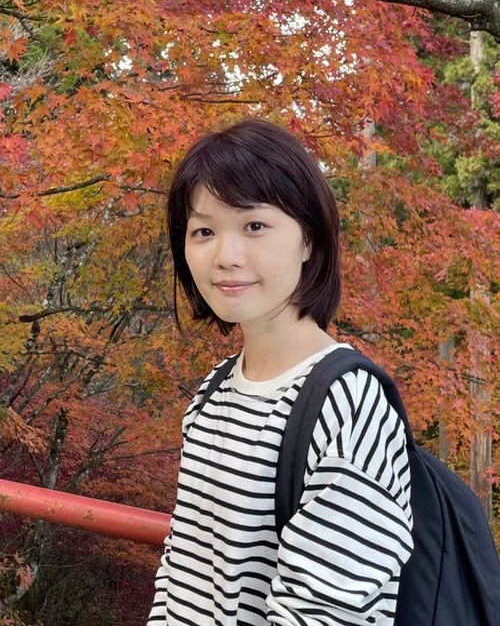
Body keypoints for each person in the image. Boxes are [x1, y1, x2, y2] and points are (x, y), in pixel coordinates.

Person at [147, 118, 413, 625]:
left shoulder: (349, 404)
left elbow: (324, 614)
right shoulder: (213, 392)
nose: (226, 257)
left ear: (309, 239)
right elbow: (179, 578)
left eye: (254, 226)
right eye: (204, 231)